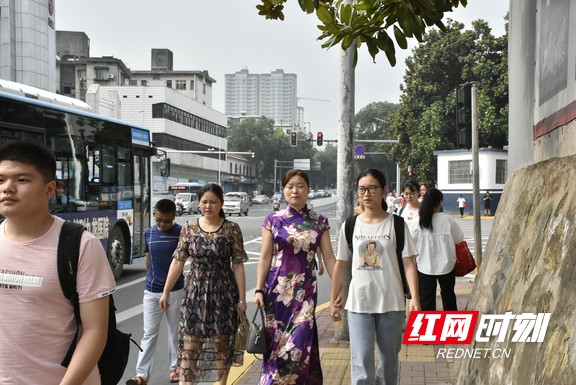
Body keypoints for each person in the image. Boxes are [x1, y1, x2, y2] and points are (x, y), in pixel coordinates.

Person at [0, 141, 115, 384]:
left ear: (49, 189)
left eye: (22, 180)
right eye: (1, 180)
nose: (8, 188)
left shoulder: (80, 245)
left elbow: (95, 331)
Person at [330, 168, 420, 385]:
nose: (367, 194)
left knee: (388, 362)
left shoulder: (397, 224)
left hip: (391, 303)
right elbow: (341, 263)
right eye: (362, 189)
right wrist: (334, 300)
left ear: (384, 190)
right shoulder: (350, 225)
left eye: (372, 188)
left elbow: (409, 262)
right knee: (361, 364)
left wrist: (415, 298)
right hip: (359, 304)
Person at [253, 169, 341, 385]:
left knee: (298, 347)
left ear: (308, 189)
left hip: (305, 295)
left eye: (300, 185)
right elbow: (265, 257)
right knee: (276, 348)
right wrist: (257, 289)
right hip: (276, 294)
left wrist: (338, 291)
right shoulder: (272, 220)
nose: (295, 190)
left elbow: (330, 258)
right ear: (283, 190)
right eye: (290, 186)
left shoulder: (319, 221)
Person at [159, 183, 247, 385]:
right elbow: (178, 261)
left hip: (223, 295)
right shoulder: (189, 228)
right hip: (194, 295)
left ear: (221, 203)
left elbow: (239, 265)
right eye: (204, 202)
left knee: (221, 344)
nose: (208, 206)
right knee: (190, 344)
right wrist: (166, 292)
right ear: (199, 203)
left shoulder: (232, 229)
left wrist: (242, 299)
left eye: (213, 202)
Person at [127, 199, 184, 385]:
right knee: (149, 333)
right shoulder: (149, 233)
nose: (161, 224)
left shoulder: (181, 232)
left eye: (166, 221)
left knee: (174, 331)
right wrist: (150, 278)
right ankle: (141, 375)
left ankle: (175, 369)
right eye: (158, 219)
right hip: (151, 292)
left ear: (174, 217)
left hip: (176, 291)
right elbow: (148, 258)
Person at [413, 188, 464, 311]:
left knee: (426, 300)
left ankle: (429, 327)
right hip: (447, 266)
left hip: (424, 267)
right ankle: (451, 326)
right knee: (448, 296)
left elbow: (411, 244)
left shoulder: (417, 221)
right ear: (439, 202)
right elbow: (459, 239)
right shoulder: (448, 220)